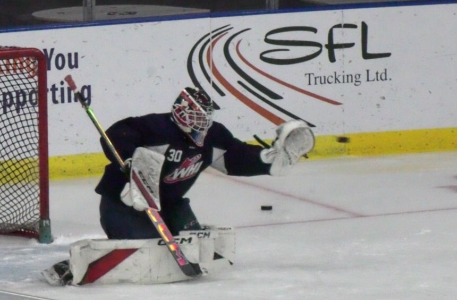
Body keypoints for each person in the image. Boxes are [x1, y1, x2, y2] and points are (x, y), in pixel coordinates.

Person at [45, 87, 313, 285]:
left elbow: (234, 158)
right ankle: (73, 265)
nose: (204, 125)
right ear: (182, 113)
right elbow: (116, 133)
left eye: (206, 118)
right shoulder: (156, 127)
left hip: (170, 206)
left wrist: (266, 161)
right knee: (145, 251)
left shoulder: (212, 136)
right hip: (123, 205)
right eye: (199, 118)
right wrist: (130, 161)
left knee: (193, 243)